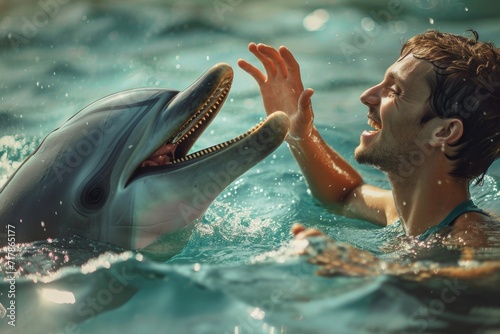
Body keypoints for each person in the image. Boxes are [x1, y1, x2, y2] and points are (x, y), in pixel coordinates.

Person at [238, 30, 499, 247]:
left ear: (442, 132)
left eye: (394, 90)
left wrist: (363, 267)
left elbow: (483, 278)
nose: (367, 96)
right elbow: (345, 196)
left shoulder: (475, 237)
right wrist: (300, 134)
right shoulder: (401, 213)